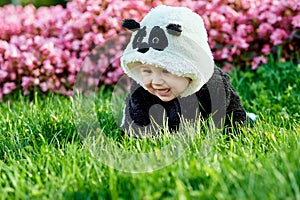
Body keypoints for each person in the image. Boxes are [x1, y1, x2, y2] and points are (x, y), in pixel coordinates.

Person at [119, 5, 248, 136]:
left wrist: (236, 130)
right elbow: (134, 126)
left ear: (190, 66)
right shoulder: (140, 91)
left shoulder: (214, 85)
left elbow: (235, 117)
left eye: (167, 71)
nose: (156, 82)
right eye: (147, 71)